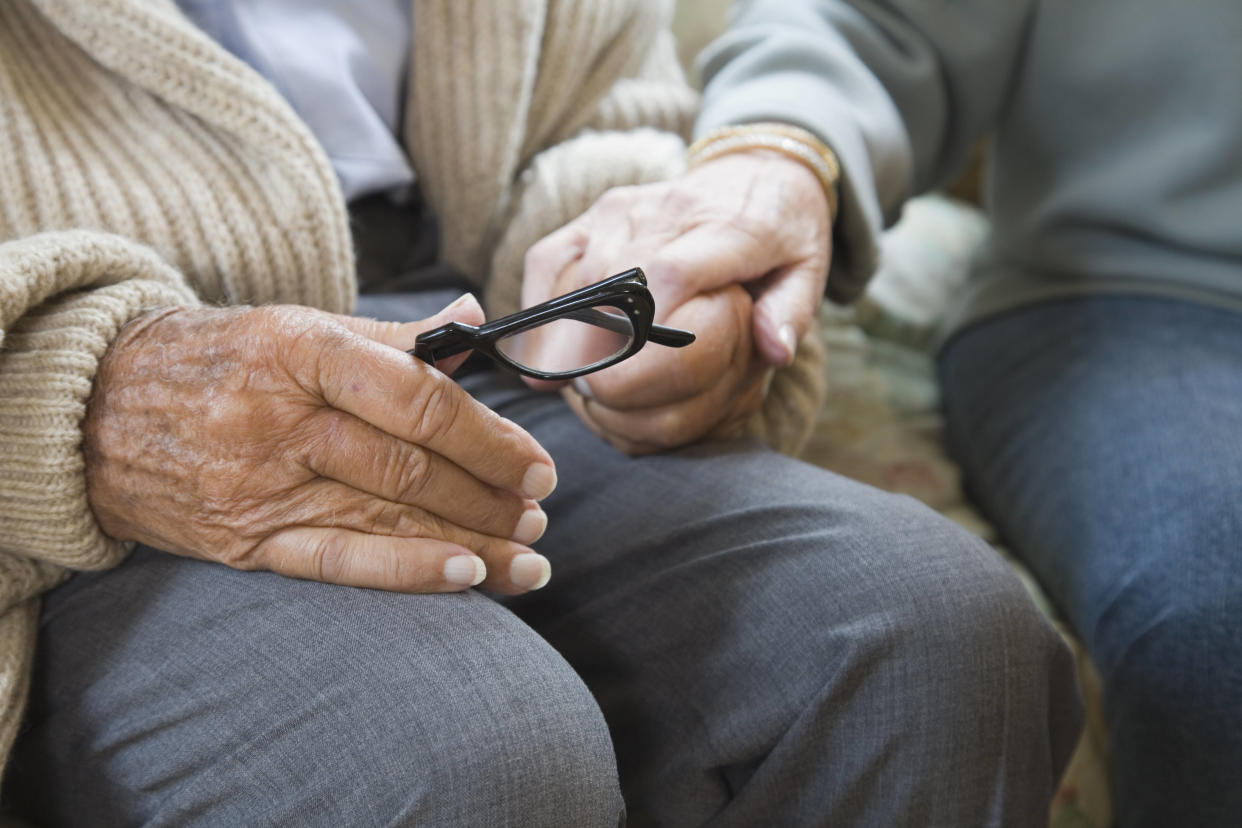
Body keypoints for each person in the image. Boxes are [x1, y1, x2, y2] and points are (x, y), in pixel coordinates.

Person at [0, 1, 1081, 824]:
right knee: (473, 751)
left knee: (931, 634)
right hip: (85, 430)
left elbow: (604, 115)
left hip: (470, 335)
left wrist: (633, 259)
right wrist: (67, 397)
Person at [526, 0, 1242, 824]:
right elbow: (863, 23)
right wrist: (773, 155)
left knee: (938, 625)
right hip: (1154, 294)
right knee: (1210, 618)